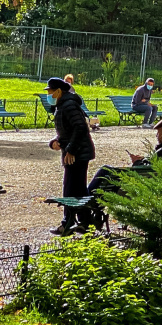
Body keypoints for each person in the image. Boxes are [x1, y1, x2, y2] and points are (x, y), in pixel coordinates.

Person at [45, 77, 96, 236]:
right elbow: (67, 130)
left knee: (70, 188)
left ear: (59, 91)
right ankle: (84, 222)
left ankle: (69, 223)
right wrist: (56, 141)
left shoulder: (68, 105)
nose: (49, 95)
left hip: (77, 154)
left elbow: (80, 128)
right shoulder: (64, 105)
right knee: (78, 188)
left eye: (50, 92)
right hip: (77, 151)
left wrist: (71, 150)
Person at [86, 117, 162, 198]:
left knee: (105, 170)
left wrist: (136, 162)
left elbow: (145, 170)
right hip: (157, 183)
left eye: (158, 133)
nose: (156, 136)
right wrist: (143, 159)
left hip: (143, 184)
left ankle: (87, 197)